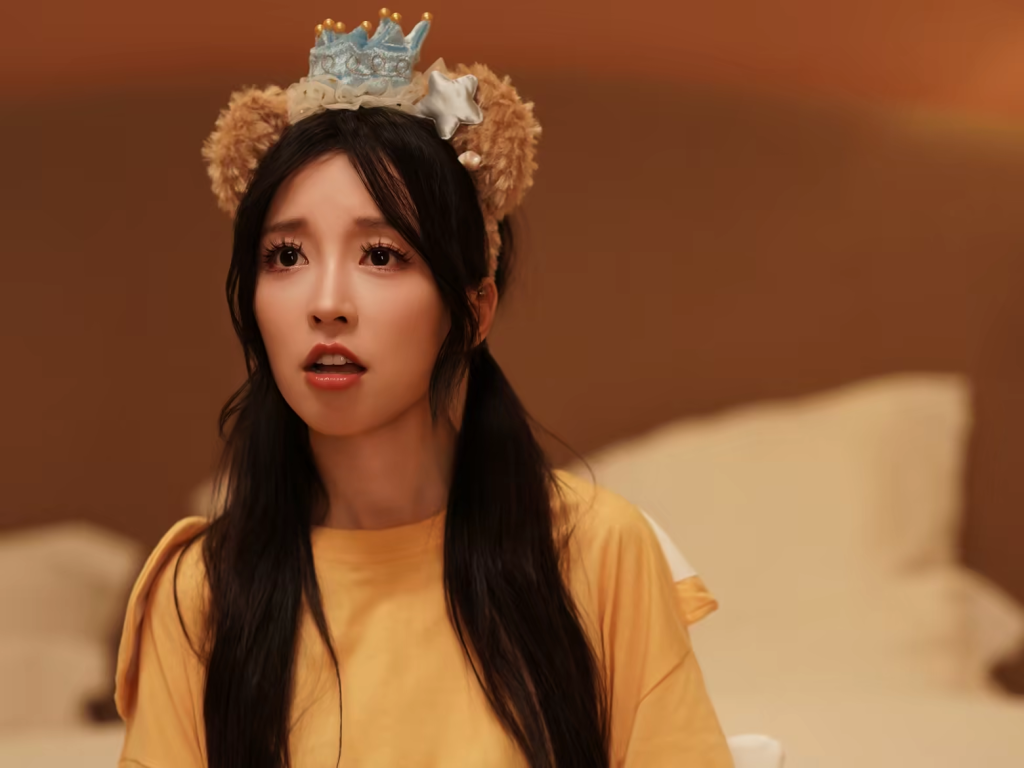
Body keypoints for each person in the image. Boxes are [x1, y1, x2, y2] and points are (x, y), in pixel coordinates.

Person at [114, 10, 734, 768]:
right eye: (286, 256)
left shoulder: (596, 552)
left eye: (380, 254)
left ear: (473, 310)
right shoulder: (201, 591)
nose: (326, 302)